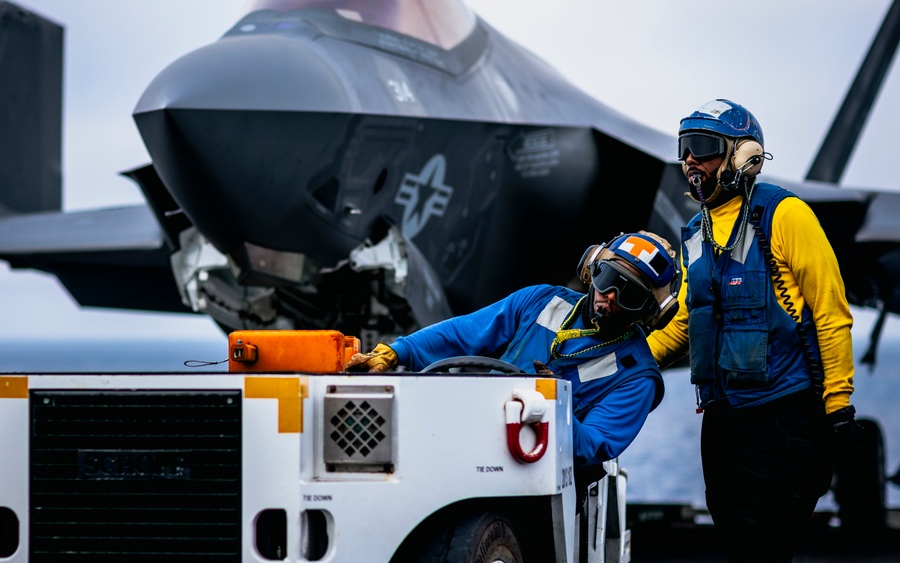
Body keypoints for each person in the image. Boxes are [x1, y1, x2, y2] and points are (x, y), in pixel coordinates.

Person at [647, 99, 862, 561]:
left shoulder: (785, 215)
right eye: (685, 148)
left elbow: (830, 310)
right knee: (733, 539)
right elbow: (686, 321)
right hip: (723, 419)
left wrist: (838, 404)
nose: (690, 161)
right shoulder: (694, 231)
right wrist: (623, 363)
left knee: (761, 547)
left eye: (702, 148)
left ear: (742, 156)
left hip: (783, 414)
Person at [346, 231, 680, 476]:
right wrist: (397, 351)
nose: (608, 297)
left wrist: (554, 405)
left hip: (541, 479)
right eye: (607, 278)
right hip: (469, 439)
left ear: (650, 312)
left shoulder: (638, 378)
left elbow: (594, 444)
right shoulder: (540, 300)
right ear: (591, 269)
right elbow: (463, 333)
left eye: (629, 295)